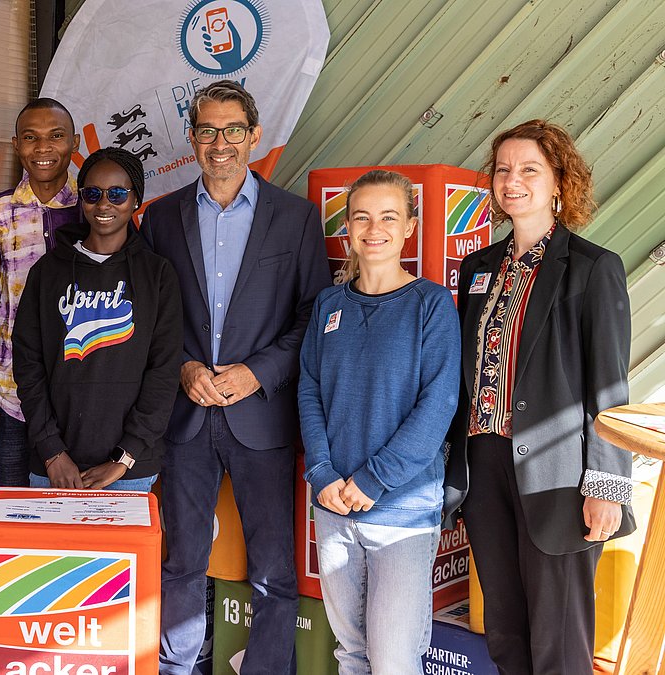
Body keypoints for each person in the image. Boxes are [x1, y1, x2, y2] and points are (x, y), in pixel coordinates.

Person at [141, 79, 331, 674]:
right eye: (206, 131)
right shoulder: (162, 218)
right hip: (187, 416)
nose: (219, 143)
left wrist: (258, 373)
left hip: (263, 416)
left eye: (232, 131)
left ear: (254, 137)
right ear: (192, 138)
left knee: (274, 570)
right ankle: (177, 667)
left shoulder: (296, 218)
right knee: (181, 561)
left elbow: (315, 315)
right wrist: (182, 368)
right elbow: (145, 317)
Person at [443, 119, 634, 674]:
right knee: (505, 630)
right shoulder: (477, 268)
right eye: (503, 169)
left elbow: (610, 387)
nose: (512, 180)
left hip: (560, 475)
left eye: (529, 169)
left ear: (558, 182)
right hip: (484, 466)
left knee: (558, 639)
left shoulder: (594, 268)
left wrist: (606, 485)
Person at [298, 169, 460, 673]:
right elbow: (309, 390)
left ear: (409, 226)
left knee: (392, 661)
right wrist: (323, 475)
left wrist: (373, 479)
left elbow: (438, 405)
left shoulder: (431, 305)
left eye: (389, 216)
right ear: (347, 227)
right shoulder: (330, 303)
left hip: (401, 513)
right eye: (362, 216)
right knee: (351, 654)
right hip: (334, 508)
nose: (374, 228)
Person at [12, 147, 182, 492]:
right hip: (53, 468)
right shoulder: (47, 272)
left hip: (130, 472)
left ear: (136, 200)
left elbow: (163, 372)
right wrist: (51, 452)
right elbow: (28, 366)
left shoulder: (157, 274)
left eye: (117, 194)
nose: (104, 205)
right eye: (92, 194)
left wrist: (125, 458)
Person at [0, 98, 81, 487]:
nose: (43, 148)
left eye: (56, 137)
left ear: (73, 143)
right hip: (13, 387)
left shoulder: (96, 208)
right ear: (16, 144)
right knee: (15, 508)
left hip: (82, 387)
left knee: (78, 515)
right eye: (31, 138)